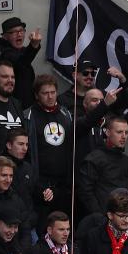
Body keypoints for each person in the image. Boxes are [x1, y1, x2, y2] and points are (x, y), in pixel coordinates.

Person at [22, 74, 73, 223]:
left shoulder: (66, 114)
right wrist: (37, 184)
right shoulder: (29, 116)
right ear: (37, 95)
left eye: (53, 92)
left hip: (63, 184)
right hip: (39, 183)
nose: (50, 97)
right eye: (45, 93)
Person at [77, 115, 128, 217]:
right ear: (107, 132)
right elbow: (85, 193)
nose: (124, 136)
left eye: (126, 132)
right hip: (99, 223)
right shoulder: (94, 159)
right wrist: (101, 217)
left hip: (123, 222)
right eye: (119, 132)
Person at [0, 17, 41, 108]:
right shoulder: (2, 51)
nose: (19, 34)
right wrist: (33, 46)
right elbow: (20, 62)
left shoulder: (22, 51)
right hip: (9, 107)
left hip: (27, 106)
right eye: (14, 32)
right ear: (5, 36)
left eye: (22, 31)